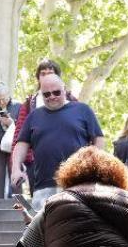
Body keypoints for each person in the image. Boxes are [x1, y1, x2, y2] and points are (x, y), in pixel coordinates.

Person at [9, 72, 105, 207]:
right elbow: (21, 144)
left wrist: (95, 165)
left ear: (64, 89)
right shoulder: (34, 115)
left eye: (56, 92)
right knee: (45, 227)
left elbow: (98, 139)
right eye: (46, 94)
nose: (52, 96)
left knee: (76, 226)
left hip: (79, 184)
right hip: (43, 186)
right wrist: (15, 168)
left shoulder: (82, 110)